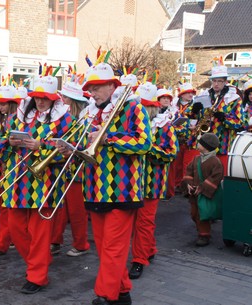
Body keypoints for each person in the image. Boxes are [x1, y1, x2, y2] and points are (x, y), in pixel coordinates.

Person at [80, 53, 152, 305]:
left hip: (122, 190)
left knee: (112, 248)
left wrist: (109, 137)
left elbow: (144, 144)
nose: (93, 92)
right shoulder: (90, 112)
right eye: (90, 88)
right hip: (94, 189)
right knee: (104, 248)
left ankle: (105, 295)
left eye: (97, 87)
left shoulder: (134, 107)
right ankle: (122, 292)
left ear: (112, 86)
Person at [0, 71, 75, 294]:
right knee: (15, 229)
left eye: (45, 98)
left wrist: (40, 147)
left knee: (40, 234)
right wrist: (10, 140)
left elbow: (69, 152)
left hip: (46, 183)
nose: (40, 101)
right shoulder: (21, 116)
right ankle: (37, 263)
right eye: (37, 97)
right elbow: (3, 142)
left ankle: (37, 275)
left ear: (54, 99)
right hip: (17, 182)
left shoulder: (66, 120)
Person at [128, 82, 178, 279]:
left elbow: (171, 153)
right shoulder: (132, 123)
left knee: (144, 222)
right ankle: (149, 249)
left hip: (152, 183)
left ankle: (139, 260)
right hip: (131, 182)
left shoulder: (164, 126)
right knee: (134, 222)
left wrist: (149, 149)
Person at [50, 78, 90, 257]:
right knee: (59, 208)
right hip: (62, 168)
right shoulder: (63, 116)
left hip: (77, 170)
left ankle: (81, 244)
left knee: (76, 210)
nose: (62, 101)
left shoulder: (83, 118)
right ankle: (55, 240)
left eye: (65, 98)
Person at [194, 60, 245, 175]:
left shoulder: (234, 98)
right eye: (214, 81)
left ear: (225, 82)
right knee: (202, 174)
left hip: (223, 143)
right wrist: (195, 111)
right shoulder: (204, 95)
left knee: (219, 176)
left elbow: (239, 122)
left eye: (220, 81)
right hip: (204, 143)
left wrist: (224, 118)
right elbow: (192, 117)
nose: (216, 84)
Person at [0, 81, 19, 257]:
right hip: (0, 167)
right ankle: (10, 239)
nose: (0, 106)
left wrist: (0, 143)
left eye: (4, 103)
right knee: (5, 209)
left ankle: (1, 243)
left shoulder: (15, 120)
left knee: (7, 209)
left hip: (10, 167)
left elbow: (5, 143)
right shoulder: (1, 119)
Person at [181, 133, 223, 247]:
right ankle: (201, 229)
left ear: (205, 146)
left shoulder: (215, 162)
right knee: (194, 214)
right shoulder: (196, 158)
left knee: (202, 214)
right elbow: (189, 171)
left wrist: (203, 187)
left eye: (199, 143)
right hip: (194, 193)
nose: (197, 144)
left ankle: (204, 235)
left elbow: (216, 177)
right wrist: (188, 183)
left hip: (205, 194)